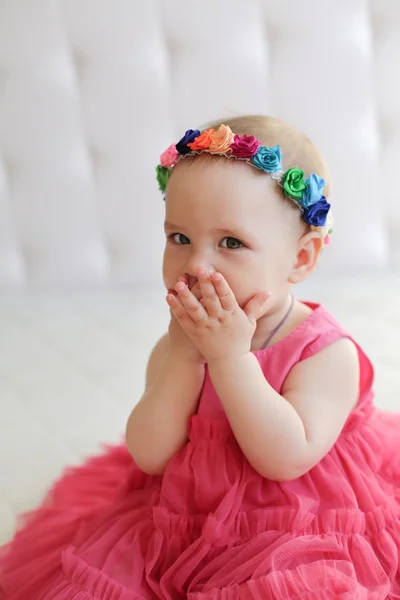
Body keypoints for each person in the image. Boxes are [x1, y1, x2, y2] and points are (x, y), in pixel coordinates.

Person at [1, 115, 399, 599]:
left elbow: (285, 458)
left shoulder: (325, 354)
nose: (196, 265)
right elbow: (150, 455)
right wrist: (185, 362)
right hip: (187, 513)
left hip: (300, 519)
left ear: (301, 259)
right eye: (179, 238)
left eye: (231, 243)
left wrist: (231, 360)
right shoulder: (178, 344)